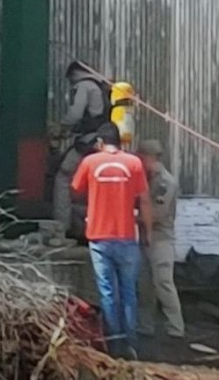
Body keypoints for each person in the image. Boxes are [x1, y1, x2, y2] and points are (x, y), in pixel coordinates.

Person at [71, 123, 153, 359]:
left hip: (99, 238)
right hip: (127, 238)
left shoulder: (90, 162)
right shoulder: (134, 163)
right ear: (121, 142)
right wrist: (148, 233)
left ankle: (114, 345)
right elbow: (145, 201)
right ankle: (132, 344)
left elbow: (75, 189)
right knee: (129, 292)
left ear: (99, 143)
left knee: (108, 293)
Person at [54, 60, 110, 235]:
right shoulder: (101, 87)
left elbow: (75, 114)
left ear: (74, 74)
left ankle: (61, 226)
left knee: (63, 178)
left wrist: (61, 127)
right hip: (102, 142)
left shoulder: (83, 86)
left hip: (88, 142)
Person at [136, 139, 185, 339]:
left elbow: (158, 213)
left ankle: (175, 328)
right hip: (145, 237)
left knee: (163, 283)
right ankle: (145, 326)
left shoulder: (165, 182)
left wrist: (130, 216)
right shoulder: (146, 178)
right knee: (145, 285)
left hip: (161, 238)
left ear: (148, 157)